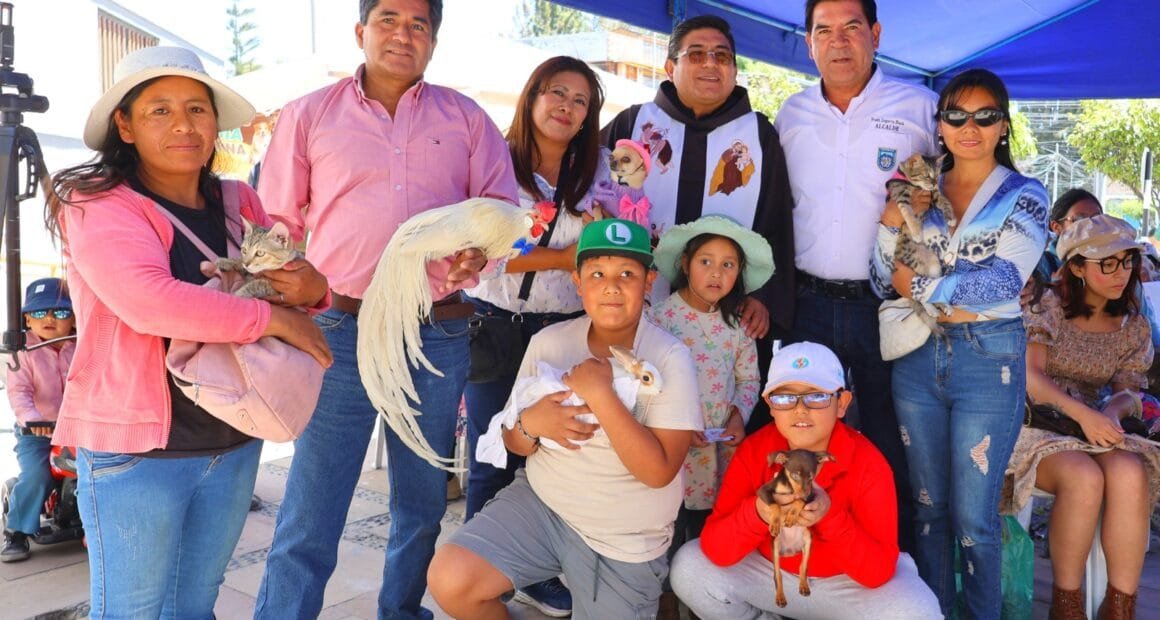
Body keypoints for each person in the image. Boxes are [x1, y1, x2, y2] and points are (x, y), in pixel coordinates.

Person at [253, 1, 520, 618]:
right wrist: (281, 298)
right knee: (313, 500)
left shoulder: (468, 119)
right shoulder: (310, 114)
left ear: (433, 40)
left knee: (422, 500)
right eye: (389, 20)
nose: (404, 34)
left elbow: (503, 212)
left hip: (436, 331)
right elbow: (273, 226)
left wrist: (477, 253)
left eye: (419, 24)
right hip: (338, 329)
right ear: (361, 32)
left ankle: (401, 612)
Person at [45, 46, 331, 618]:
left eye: (197, 109)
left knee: (195, 603)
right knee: (132, 609)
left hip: (231, 437)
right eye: (159, 110)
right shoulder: (94, 203)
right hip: (137, 452)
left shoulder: (237, 200)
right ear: (123, 124)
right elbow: (148, 303)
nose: (184, 124)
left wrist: (309, 288)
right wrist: (276, 319)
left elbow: (291, 279)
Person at [427, 219, 701, 618]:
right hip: (544, 503)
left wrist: (601, 394)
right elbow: (512, 439)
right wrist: (530, 425)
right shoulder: (550, 342)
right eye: (597, 273)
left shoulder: (671, 357)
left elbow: (659, 472)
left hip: (623, 537)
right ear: (578, 282)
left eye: (628, 274)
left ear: (648, 282)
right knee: (451, 578)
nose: (612, 286)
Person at [869, 67, 1049, 617]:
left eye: (985, 115)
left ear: (1003, 126)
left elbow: (1001, 285)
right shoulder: (917, 193)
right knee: (927, 511)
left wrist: (916, 283)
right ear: (939, 125)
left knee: (975, 521)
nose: (970, 126)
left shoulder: (1027, 195)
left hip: (988, 360)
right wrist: (889, 218)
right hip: (917, 359)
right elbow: (879, 277)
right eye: (956, 115)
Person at [775, 0, 939, 552]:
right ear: (809, 42)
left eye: (851, 28)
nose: (838, 42)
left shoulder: (920, 107)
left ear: (876, 33)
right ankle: (814, 559)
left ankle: (894, 568)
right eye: (825, 31)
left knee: (893, 441)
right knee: (805, 437)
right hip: (809, 304)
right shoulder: (790, 115)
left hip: (889, 306)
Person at [461, 55, 611, 616]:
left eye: (579, 100)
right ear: (532, 98)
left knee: (548, 456)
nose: (566, 107)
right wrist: (569, 253)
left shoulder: (597, 176)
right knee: (493, 452)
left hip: (563, 330)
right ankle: (481, 572)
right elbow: (486, 260)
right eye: (556, 93)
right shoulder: (494, 165)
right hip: (496, 327)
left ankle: (538, 571)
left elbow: (607, 247)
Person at [669, 341, 941, 619]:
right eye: (785, 398)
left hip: (846, 584)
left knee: (918, 611)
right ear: (770, 406)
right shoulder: (755, 451)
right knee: (690, 567)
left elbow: (877, 571)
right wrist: (758, 512)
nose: (800, 409)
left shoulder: (868, 462)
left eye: (817, 397)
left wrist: (830, 515)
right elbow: (715, 548)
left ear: (842, 403)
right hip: (771, 573)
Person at [601, 14, 794, 344]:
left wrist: (763, 296)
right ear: (669, 67)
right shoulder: (634, 124)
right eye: (696, 54)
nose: (710, 63)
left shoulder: (758, 136)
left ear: (734, 70)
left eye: (722, 56)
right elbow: (596, 203)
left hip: (727, 310)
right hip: (636, 303)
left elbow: (776, 223)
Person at [1006, 214, 1158, 619]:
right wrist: (1086, 416)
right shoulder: (1048, 305)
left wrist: (1111, 409)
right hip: (1034, 422)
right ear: (1076, 267)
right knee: (1084, 477)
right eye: (1107, 263)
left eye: (1126, 262)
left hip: (1089, 423)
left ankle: (1120, 606)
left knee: (1130, 471)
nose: (1120, 273)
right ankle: (1067, 604)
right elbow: (1031, 380)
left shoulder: (1133, 325)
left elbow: (1131, 390)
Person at [647, 215, 770, 617]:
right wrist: (677, 426)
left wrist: (738, 417)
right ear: (685, 263)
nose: (716, 273)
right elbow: (646, 383)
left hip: (719, 452)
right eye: (706, 261)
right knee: (664, 528)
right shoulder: (659, 319)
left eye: (728, 264)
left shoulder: (737, 325)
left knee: (707, 529)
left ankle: (702, 601)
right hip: (672, 449)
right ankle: (663, 602)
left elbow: (749, 379)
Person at [1, 278, 76, 564]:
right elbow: (20, 392)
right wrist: (32, 420)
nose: (49, 319)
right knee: (37, 475)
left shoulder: (80, 346)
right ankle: (16, 531)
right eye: (40, 312)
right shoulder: (22, 352)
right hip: (37, 432)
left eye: (59, 313)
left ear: (73, 318)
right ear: (27, 319)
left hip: (77, 428)